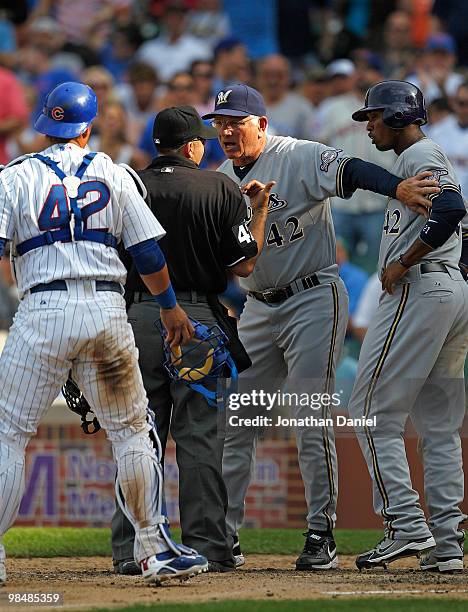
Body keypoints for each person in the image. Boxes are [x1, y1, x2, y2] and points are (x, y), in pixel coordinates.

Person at [202, 83, 441, 571]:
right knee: (238, 421)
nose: (226, 131)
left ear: (262, 125)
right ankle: (223, 535)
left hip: (312, 295)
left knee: (308, 415)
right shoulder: (223, 179)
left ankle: (320, 531)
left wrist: (397, 187)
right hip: (258, 307)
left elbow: (352, 170)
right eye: (219, 123)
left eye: (236, 121)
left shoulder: (297, 155)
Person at [0, 82, 208, 586]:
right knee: (132, 433)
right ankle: (153, 550)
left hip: (41, 309)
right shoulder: (115, 173)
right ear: (88, 126)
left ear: (44, 126)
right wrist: (169, 308)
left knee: (8, 436)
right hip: (105, 309)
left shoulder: (13, 177)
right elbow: (148, 255)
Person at [111, 105, 272, 575]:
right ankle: (210, 545)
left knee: (136, 436)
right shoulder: (218, 186)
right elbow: (243, 265)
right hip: (198, 318)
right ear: (189, 147)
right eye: (201, 139)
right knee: (200, 437)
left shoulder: (127, 184)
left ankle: (131, 549)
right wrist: (257, 211)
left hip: (137, 315)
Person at [348, 81, 468, 572]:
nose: (369, 125)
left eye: (373, 117)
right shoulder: (421, 157)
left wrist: (405, 261)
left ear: (398, 116)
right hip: (450, 290)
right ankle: (446, 542)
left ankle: (405, 523)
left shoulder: (421, 152)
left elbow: (452, 209)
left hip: (422, 288)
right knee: (438, 424)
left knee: (369, 408)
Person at [427, 81, 468, 198]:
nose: (465, 108)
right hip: (443, 202)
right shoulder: (438, 131)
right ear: (454, 103)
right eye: (461, 103)